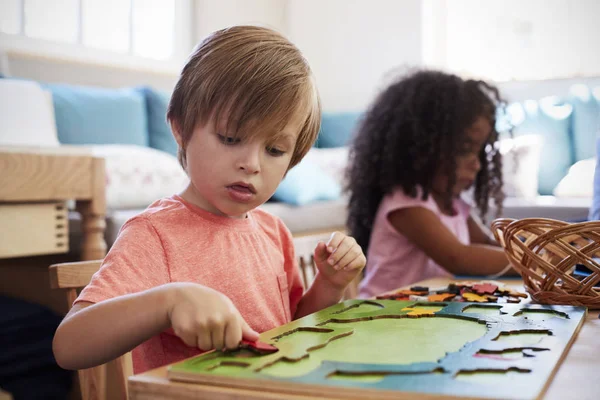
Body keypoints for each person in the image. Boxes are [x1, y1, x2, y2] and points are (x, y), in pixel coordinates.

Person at [52, 25, 366, 374]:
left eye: (275, 150)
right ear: (181, 129)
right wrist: (168, 302)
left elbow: (292, 331)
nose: (252, 163)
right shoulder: (155, 234)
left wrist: (329, 285)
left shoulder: (273, 232)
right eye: (231, 138)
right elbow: (69, 345)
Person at [346, 69, 514, 298]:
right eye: (465, 149)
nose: (477, 164)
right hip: (382, 316)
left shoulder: (455, 205)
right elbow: (459, 257)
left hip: (426, 317)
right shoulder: (406, 205)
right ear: (422, 148)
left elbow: (488, 243)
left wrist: (537, 251)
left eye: (479, 152)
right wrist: (533, 262)